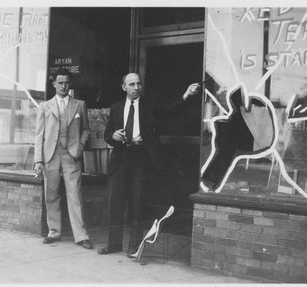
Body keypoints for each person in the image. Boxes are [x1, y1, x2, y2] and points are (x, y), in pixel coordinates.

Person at [97, 72, 200, 257]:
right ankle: (113, 244)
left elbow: (171, 110)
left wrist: (186, 95)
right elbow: (107, 134)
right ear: (124, 87)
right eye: (132, 84)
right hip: (120, 156)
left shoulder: (149, 106)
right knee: (115, 202)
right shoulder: (116, 107)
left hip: (140, 156)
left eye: (138, 84)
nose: (136, 87)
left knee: (137, 203)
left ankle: (134, 246)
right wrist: (113, 136)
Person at [34, 68, 93, 249]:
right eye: (60, 83)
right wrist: (38, 160)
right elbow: (39, 135)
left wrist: (80, 146)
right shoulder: (44, 106)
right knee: (51, 194)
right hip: (50, 154)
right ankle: (54, 232)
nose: (63, 86)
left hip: (71, 154)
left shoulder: (79, 105)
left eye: (66, 82)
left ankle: (81, 236)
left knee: (74, 194)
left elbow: (86, 129)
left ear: (70, 84)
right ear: (54, 84)